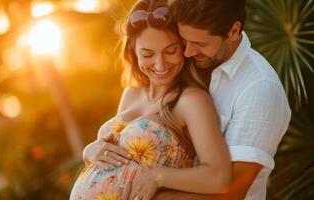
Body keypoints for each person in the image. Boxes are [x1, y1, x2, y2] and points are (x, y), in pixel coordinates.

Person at [69, 0, 232, 199]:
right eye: (147, 54)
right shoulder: (131, 94)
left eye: (171, 51)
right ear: (133, 51)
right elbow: (117, 163)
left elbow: (219, 177)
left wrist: (158, 177)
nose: (160, 64)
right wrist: (90, 151)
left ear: (183, 47)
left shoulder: (191, 100)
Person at [144, 0, 291, 199]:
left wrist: (148, 190)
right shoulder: (187, 62)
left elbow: (231, 193)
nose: (188, 52)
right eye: (184, 41)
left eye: (200, 44)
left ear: (233, 30)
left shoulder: (259, 89)